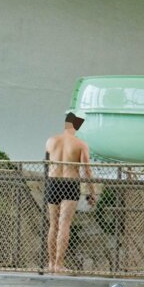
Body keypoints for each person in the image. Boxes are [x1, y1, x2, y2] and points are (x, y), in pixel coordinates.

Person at [44, 112, 95, 274]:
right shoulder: (81, 144)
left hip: (53, 182)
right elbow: (87, 170)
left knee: (53, 225)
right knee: (64, 224)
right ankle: (59, 264)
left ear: (66, 124)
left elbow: (46, 163)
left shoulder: (51, 141)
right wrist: (92, 191)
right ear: (77, 126)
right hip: (70, 183)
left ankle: (51, 263)